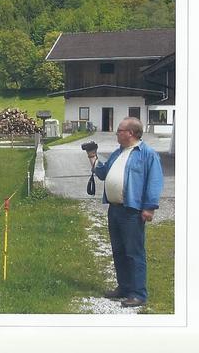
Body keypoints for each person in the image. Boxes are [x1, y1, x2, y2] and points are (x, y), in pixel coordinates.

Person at [85, 116, 164, 308]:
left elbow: (154, 182)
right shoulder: (118, 153)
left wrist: (149, 207)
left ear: (131, 133)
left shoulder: (147, 154)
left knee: (134, 253)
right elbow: (103, 174)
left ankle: (138, 294)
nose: (116, 133)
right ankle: (124, 287)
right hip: (115, 209)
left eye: (119, 130)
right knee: (118, 251)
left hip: (132, 211)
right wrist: (92, 155)